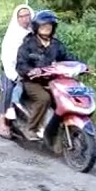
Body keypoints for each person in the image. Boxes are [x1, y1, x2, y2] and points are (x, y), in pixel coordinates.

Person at [16, 10, 77, 141]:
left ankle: (64, 128)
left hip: (53, 80)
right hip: (32, 81)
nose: (46, 28)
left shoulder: (56, 45)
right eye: (43, 26)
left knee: (69, 97)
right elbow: (21, 65)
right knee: (44, 98)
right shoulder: (28, 45)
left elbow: (68, 58)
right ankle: (31, 128)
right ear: (37, 27)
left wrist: (82, 65)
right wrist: (32, 71)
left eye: (49, 26)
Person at [0, 4, 34, 138]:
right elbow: (8, 58)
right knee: (8, 89)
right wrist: (15, 75)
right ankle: (2, 122)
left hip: (33, 70)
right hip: (12, 69)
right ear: (16, 18)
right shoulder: (12, 35)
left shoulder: (35, 32)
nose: (25, 19)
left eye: (27, 15)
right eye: (21, 16)